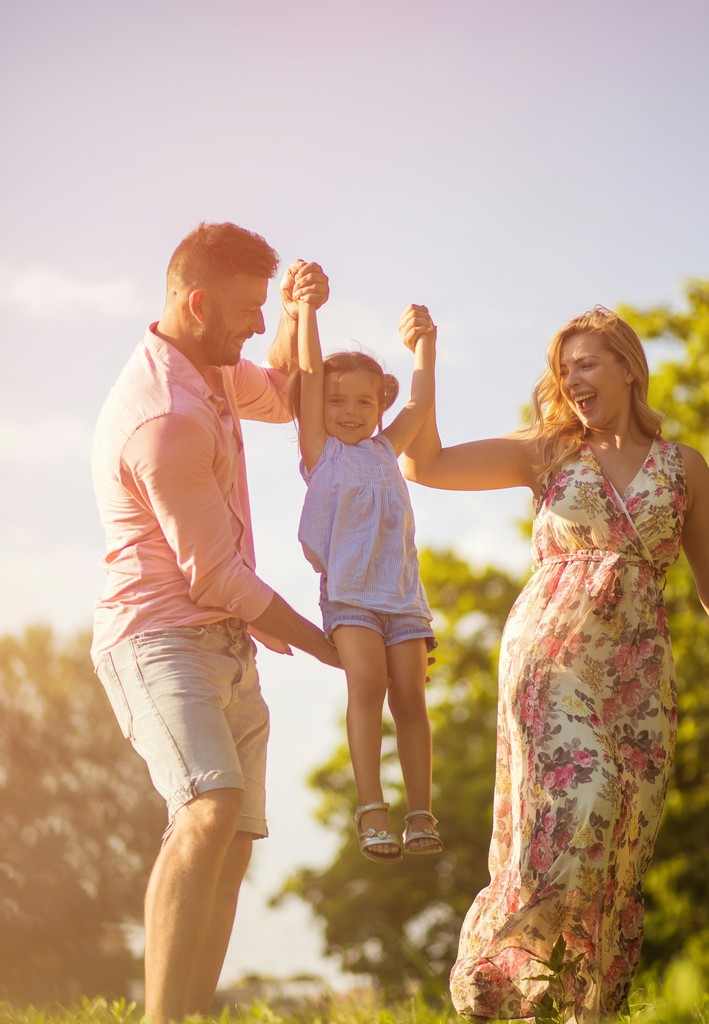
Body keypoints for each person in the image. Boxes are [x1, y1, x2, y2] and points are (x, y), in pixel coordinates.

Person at [399, 304, 709, 1021]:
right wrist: (425, 357)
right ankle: (501, 980)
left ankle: (580, 1007)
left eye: (587, 364)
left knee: (619, 847)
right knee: (579, 805)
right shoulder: (548, 449)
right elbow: (425, 463)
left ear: (628, 368)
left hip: (637, 673)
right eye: (563, 369)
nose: (571, 380)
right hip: (551, 656)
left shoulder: (684, 466)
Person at [91, 222, 340, 1024]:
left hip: (224, 641)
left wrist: (304, 313)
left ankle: (190, 1016)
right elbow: (216, 576)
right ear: (196, 303)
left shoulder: (211, 370)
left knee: (233, 836)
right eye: (248, 309)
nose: (257, 326)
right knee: (205, 808)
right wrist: (333, 647)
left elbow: (289, 392)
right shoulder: (165, 417)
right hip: (157, 640)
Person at [289, 288, 442, 862]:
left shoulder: (384, 448)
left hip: (402, 599)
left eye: (363, 402)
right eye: (336, 402)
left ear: (379, 407)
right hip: (351, 599)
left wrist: (424, 346)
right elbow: (307, 373)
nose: (350, 411)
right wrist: (308, 312)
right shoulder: (321, 452)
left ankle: (421, 814)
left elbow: (420, 404)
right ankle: (372, 809)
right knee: (368, 685)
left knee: (410, 697)